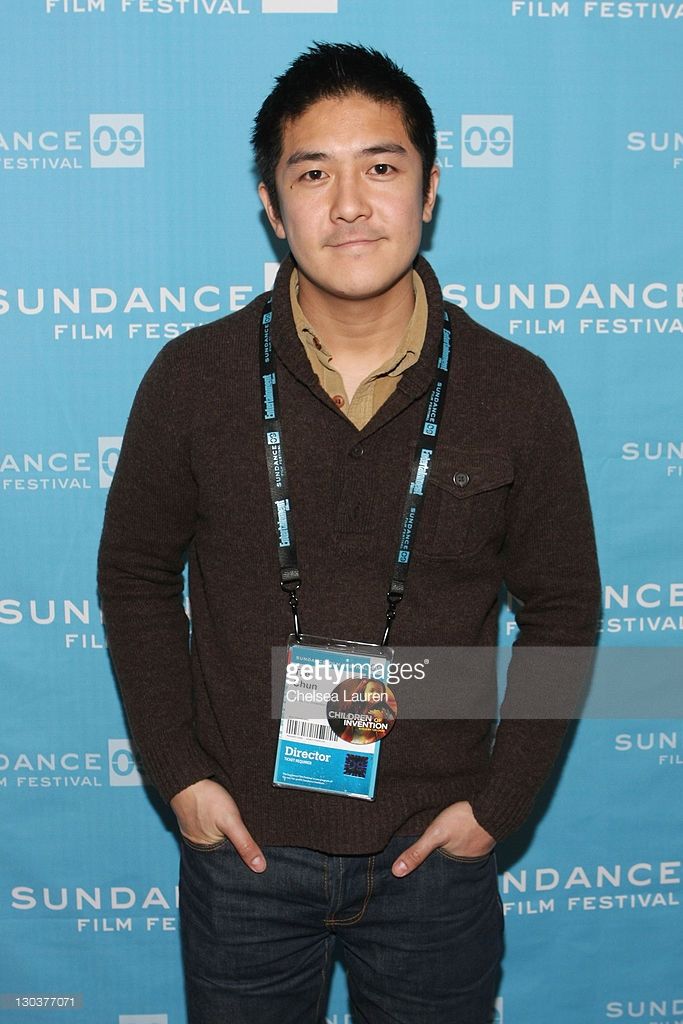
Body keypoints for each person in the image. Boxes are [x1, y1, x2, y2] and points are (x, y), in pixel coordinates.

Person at [98, 42, 601, 1024]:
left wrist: (494, 809)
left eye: (380, 166)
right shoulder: (193, 380)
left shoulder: (515, 391)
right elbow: (135, 579)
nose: (349, 204)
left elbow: (565, 608)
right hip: (244, 852)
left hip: (434, 857)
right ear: (271, 204)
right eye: (311, 174)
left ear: (429, 187)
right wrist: (183, 778)